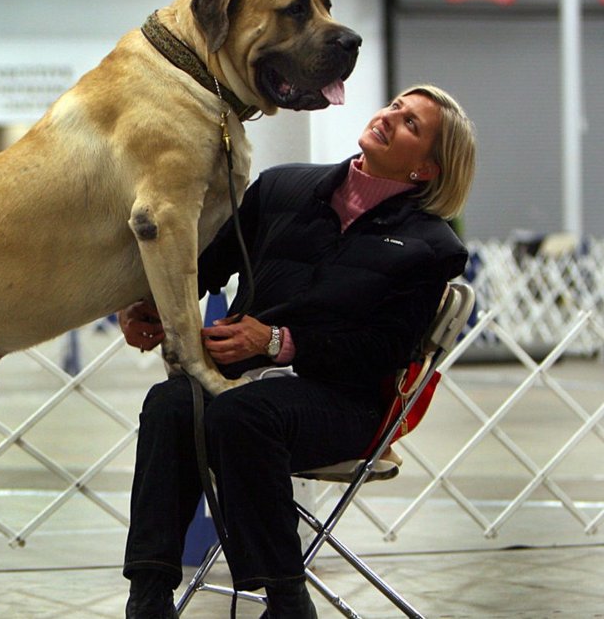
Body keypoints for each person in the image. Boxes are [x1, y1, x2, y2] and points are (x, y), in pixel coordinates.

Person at [118, 84, 477, 619]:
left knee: (243, 415)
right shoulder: (281, 187)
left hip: (345, 402)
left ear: (425, 169)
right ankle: (148, 595)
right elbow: (205, 266)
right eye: (396, 107)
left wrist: (278, 342)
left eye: (411, 126)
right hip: (244, 386)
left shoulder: (433, 247)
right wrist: (148, 304)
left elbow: (384, 353)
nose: (390, 117)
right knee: (173, 402)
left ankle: (287, 600)